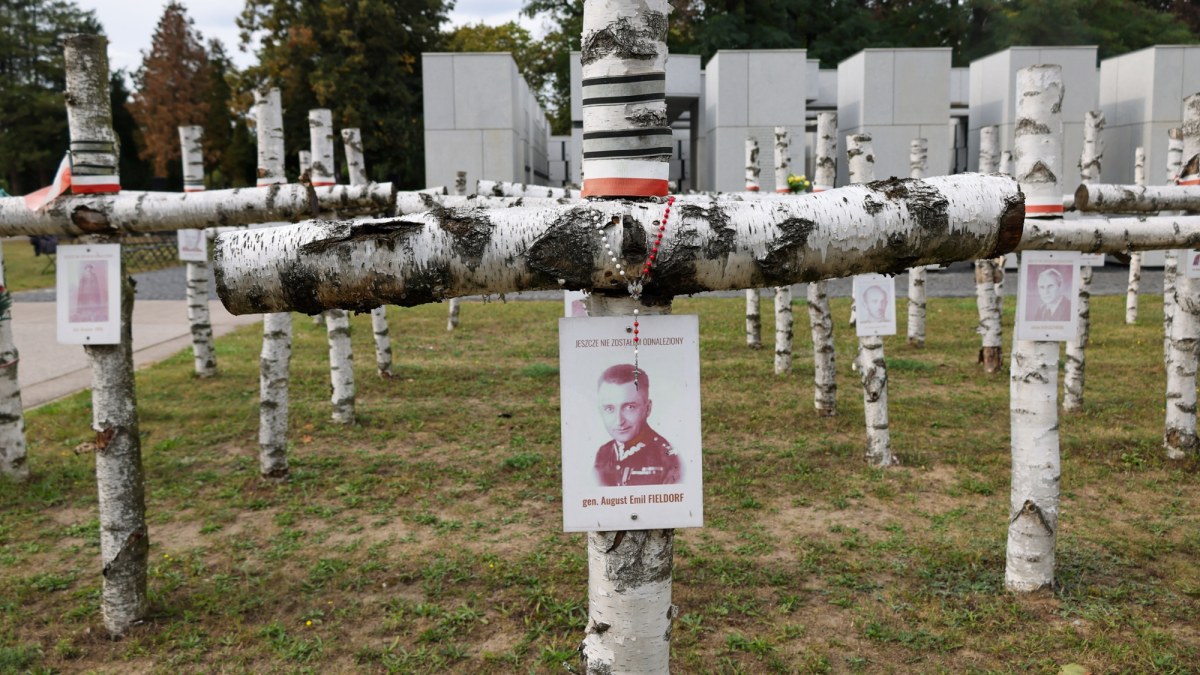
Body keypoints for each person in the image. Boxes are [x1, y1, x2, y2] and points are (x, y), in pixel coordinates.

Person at [593, 363, 682, 487]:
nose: (619, 421)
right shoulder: (603, 453)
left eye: (630, 407)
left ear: (648, 408)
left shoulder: (666, 457)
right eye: (609, 409)